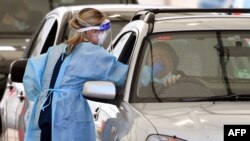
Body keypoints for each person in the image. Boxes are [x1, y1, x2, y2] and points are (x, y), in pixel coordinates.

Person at [23, 8, 128, 141]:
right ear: (91, 31)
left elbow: (32, 72)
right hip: (67, 116)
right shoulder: (93, 54)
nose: (105, 35)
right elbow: (124, 76)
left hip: (43, 112)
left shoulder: (56, 50)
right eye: (103, 31)